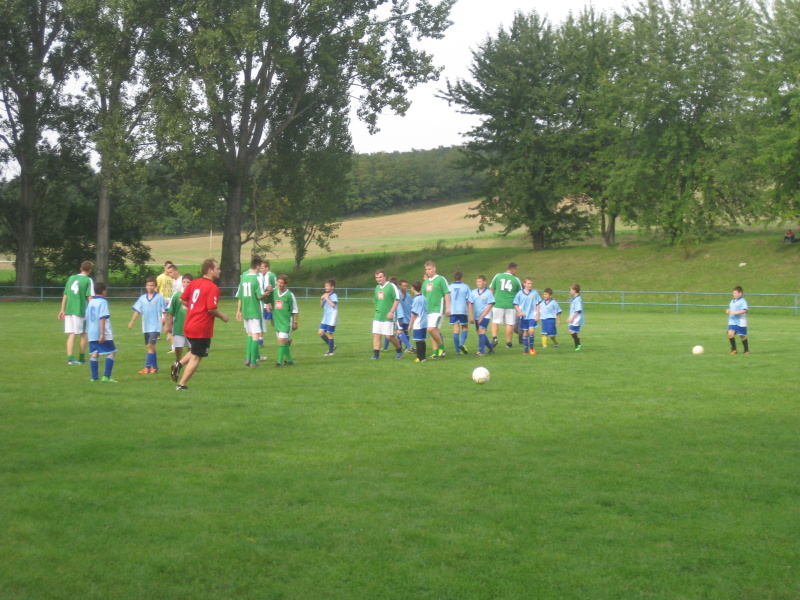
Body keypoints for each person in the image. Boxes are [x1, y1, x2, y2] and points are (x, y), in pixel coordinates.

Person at [171, 259, 229, 390]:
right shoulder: (212, 287)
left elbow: (182, 299)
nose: (220, 271)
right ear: (210, 270)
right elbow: (211, 309)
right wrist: (223, 316)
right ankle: (181, 385)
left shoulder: (194, 283)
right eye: (217, 268)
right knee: (197, 357)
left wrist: (195, 307)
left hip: (189, 324)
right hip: (201, 327)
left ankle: (178, 365)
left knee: (195, 350)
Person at [58, 260, 95, 365]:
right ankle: (81, 359)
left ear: (81, 268)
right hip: (80, 310)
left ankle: (70, 359)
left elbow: (65, 294)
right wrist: (94, 311)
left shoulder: (71, 278)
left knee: (72, 334)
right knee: (84, 334)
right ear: (90, 270)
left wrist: (62, 310)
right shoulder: (88, 280)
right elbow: (90, 297)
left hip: (69, 310)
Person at [128, 276, 167, 374]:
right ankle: (155, 367)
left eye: (152, 285)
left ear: (155, 286)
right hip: (146, 326)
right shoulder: (142, 298)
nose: (150, 287)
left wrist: (166, 324)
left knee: (150, 345)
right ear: (146, 286)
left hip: (156, 326)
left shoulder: (159, 297)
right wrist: (132, 321)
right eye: (148, 285)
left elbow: (165, 311)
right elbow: (138, 311)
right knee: (151, 347)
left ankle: (147, 368)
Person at [261, 274, 299, 366]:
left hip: (286, 322)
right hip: (277, 321)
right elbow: (265, 300)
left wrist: (295, 322)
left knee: (281, 340)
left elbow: (295, 310)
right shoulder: (273, 292)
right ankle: (289, 360)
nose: (280, 284)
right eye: (278, 282)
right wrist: (266, 291)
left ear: (286, 284)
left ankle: (279, 362)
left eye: (282, 283)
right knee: (283, 342)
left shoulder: (290, 295)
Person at [85, 282, 118, 382]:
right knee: (112, 352)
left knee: (95, 352)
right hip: (102, 331)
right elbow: (102, 317)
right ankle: (106, 376)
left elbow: (87, 316)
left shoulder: (91, 302)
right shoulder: (103, 302)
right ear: (104, 291)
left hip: (91, 332)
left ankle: (94, 378)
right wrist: (102, 334)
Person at [236, 256, 264, 367]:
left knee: (249, 334)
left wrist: (239, 310)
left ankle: (247, 358)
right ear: (257, 266)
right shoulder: (257, 278)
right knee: (256, 335)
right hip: (254, 310)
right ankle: (253, 361)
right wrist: (268, 292)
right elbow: (259, 295)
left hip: (246, 310)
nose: (260, 268)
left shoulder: (244, 277)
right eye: (260, 266)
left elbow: (240, 296)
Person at [371, 269, 402, 359]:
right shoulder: (377, 288)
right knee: (376, 334)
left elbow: (397, 299)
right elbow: (376, 301)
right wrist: (377, 310)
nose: (378, 279)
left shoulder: (391, 286)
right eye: (377, 277)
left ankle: (399, 349)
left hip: (389, 315)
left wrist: (391, 311)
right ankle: (376, 355)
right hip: (378, 315)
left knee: (389, 336)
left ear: (385, 277)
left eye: (380, 277)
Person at [422, 261, 451, 358]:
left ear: (434, 268)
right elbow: (423, 297)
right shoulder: (425, 282)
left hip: (438, 309)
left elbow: (447, 293)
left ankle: (442, 348)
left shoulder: (440, 279)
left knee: (431, 329)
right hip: (428, 310)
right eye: (426, 269)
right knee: (434, 331)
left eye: (429, 269)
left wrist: (448, 307)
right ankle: (435, 352)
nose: (428, 271)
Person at [490, 262, 522, 348]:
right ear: (513, 269)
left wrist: (490, 302)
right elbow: (520, 294)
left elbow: (491, 290)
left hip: (498, 303)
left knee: (495, 321)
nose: (516, 271)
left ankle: (495, 338)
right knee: (509, 323)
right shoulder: (516, 279)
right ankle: (508, 343)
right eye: (516, 269)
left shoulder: (498, 276)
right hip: (510, 305)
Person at [164, 273, 192, 363]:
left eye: (188, 282)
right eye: (184, 282)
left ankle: (190, 363)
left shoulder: (194, 295)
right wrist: (168, 325)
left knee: (191, 347)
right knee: (178, 346)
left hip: (191, 325)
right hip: (179, 325)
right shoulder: (177, 295)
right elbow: (171, 312)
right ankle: (178, 361)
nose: (185, 284)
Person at [468, 275, 496, 356]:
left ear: (484, 282)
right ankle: (491, 347)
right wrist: (471, 316)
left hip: (486, 315)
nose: (478, 283)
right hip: (476, 315)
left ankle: (481, 352)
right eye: (477, 282)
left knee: (481, 330)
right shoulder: (473, 292)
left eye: (480, 281)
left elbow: (490, 305)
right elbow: (470, 303)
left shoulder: (488, 293)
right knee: (480, 333)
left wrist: (482, 316)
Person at [513, 277, 542, 355]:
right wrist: (520, 312)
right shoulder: (520, 293)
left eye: (531, 283)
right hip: (524, 316)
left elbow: (538, 304)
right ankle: (525, 349)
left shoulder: (534, 293)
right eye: (528, 283)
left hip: (532, 315)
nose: (530, 285)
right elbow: (515, 304)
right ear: (524, 284)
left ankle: (531, 348)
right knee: (525, 332)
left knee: (531, 331)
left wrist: (538, 315)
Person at [449, 271, 471, 354]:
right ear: (462, 278)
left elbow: (447, 298)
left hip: (453, 310)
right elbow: (469, 300)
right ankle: (461, 344)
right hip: (462, 310)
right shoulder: (465, 287)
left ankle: (457, 351)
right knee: (465, 327)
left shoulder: (450, 287)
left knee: (455, 329)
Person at [407, 280, 428, 363]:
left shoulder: (416, 299)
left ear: (412, 288)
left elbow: (414, 313)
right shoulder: (423, 298)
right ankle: (423, 357)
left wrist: (410, 324)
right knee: (422, 340)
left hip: (418, 322)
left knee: (417, 340)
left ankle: (419, 357)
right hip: (424, 321)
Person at [726, 285, 749, 354]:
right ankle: (734, 349)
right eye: (733, 293)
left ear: (740, 293)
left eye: (735, 293)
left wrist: (735, 313)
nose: (734, 294)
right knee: (730, 334)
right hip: (732, 321)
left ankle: (746, 350)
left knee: (742, 336)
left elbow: (745, 310)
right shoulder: (732, 301)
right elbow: (733, 309)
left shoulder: (742, 301)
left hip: (740, 321)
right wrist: (729, 310)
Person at [319, 278, 338, 356]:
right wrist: (322, 299)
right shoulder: (326, 295)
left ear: (332, 287)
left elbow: (333, 304)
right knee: (320, 333)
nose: (326, 287)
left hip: (331, 318)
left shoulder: (334, 295)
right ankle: (332, 346)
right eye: (325, 286)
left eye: (327, 286)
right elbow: (321, 306)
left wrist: (327, 298)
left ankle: (331, 352)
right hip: (325, 318)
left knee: (330, 334)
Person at [396, 279, 414, 353]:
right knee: (399, 331)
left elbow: (412, 304)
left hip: (407, 317)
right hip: (400, 316)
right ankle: (399, 346)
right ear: (400, 286)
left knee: (406, 331)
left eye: (406, 286)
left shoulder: (408, 296)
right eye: (404, 286)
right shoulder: (397, 294)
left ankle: (407, 347)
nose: (405, 287)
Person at [566, 283, 584, 351]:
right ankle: (578, 344)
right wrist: (570, 317)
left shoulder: (578, 299)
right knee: (575, 331)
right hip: (574, 318)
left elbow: (578, 310)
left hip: (577, 318)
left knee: (572, 331)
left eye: (571, 290)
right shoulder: (575, 299)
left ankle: (578, 344)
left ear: (574, 290)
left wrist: (572, 318)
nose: (570, 291)